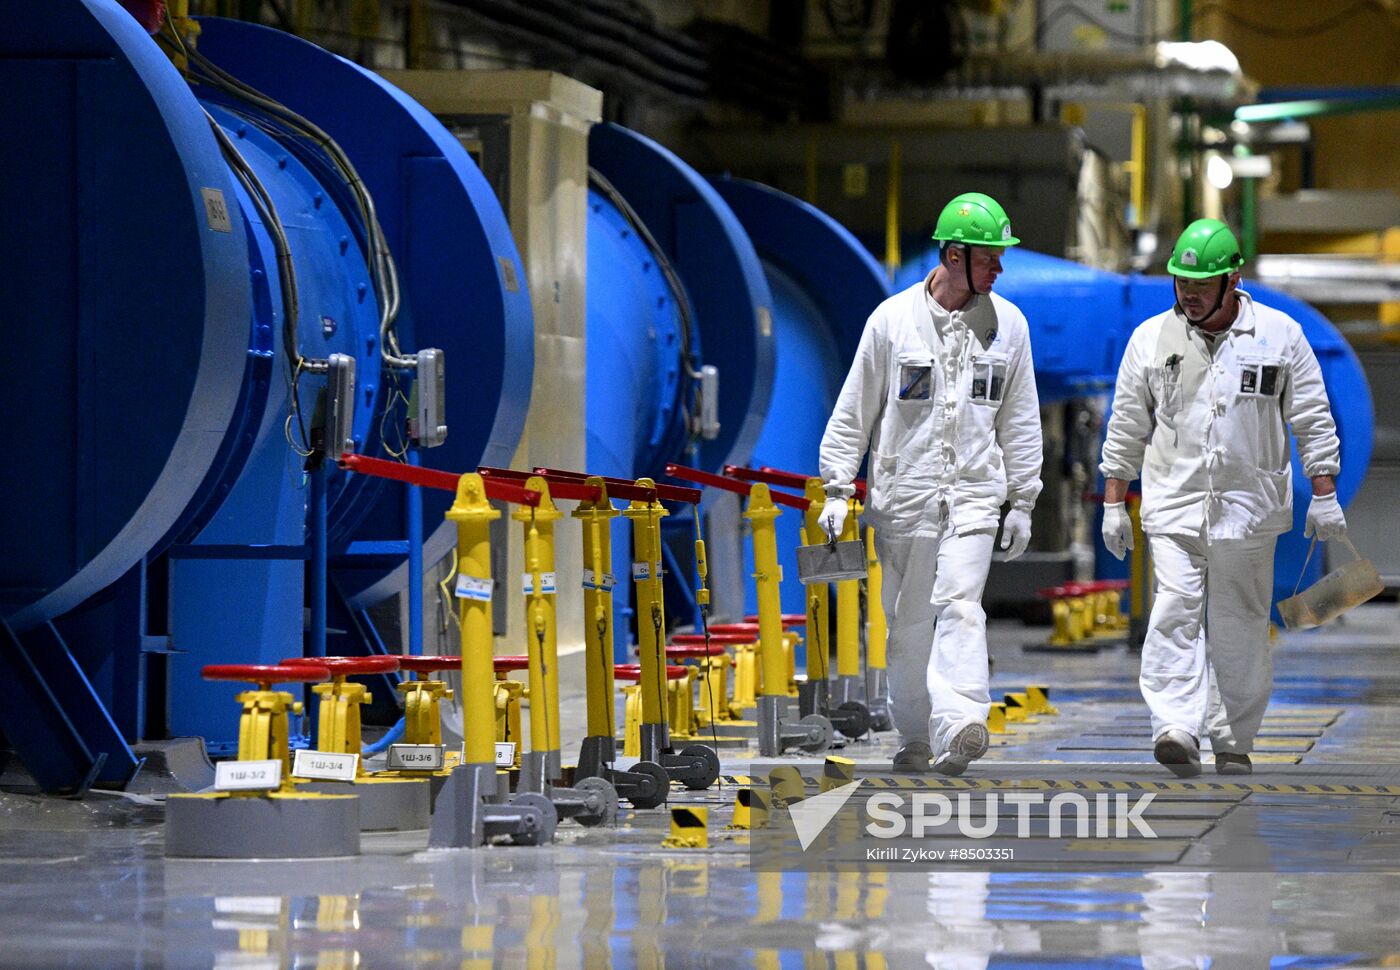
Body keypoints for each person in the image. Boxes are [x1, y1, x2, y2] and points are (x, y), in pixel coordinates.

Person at [1099, 218, 1346, 777]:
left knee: (1240, 624)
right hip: (1174, 506)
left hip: (1248, 511)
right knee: (1173, 615)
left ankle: (1233, 740)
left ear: (1232, 280)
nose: (1188, 293)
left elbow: (1312, 417)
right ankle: (1176, 728)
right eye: (1182, 282)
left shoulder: (1281, 336)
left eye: (1201, 284)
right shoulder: (1151, 340)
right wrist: (1115, 499)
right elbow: (1126, 426)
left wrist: (1324, 491)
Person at [819, 192, 1044, 775]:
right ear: (953, 255)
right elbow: (855, 408)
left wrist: (1021, 498)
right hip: (903, 502)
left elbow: (1019, 417)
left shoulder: (1009, 327)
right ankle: (917, 735)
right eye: (990, 256)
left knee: (960, 605)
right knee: (908, 626)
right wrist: (837, 489)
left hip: (972, 496)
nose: (1000, 268)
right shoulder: (891, 322)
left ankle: (964, 720)